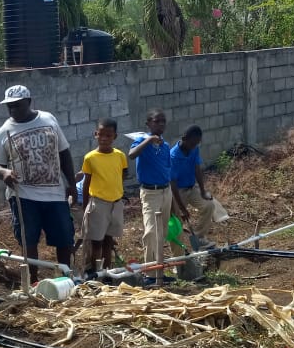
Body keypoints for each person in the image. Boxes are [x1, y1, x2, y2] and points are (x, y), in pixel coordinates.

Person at [0, 85, 76, 276]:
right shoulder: (4, 132)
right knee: (28, 240)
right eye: (9, 107)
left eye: (17, 106)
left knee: (64, 237)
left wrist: (70, 183)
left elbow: (64, 152)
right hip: (24, 195)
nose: (13, 110)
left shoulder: (48, 119)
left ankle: (65, 276)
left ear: (29, 102)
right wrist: (4, 173)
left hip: (55, 193)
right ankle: (34, 280)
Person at [127, 110, 172, 286]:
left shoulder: (165, 145)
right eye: (156, 121)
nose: (160, 124)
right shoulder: (141, 141)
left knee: (162, 233)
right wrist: (148, 140)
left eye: (163, 121)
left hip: (165, 191)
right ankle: (150, 275)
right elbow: (131, 155)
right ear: (148, 124)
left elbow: (168, 169)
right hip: (150, 193)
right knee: (152, 233)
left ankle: (159, 271)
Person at [80, 118, 129, 272]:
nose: (104, 139)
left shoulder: (120, 155)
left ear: (115, 136)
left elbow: (123, 174)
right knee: (96, 242)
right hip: (98, 204)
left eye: (108, 135)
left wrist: (117, 192)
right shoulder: (90, 158)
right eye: (101, 135)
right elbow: (86, 183)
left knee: (109, 240)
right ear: (96, 134)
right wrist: (86, 206)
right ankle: (95, 272)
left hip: (116, 204)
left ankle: (107, 271)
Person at [171, 125, 214, 247]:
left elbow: (197, 169)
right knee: (177, 220)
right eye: (192, 143)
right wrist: (182, 208)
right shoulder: (173, 156)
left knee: (209, 205)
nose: (194, 146)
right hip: (178, 191)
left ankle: (199, 237)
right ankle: (180, 248)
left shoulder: (194, 149)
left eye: (197, 143)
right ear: (184, 138)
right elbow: (172, 183)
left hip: (192, 188)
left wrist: (202, 191)